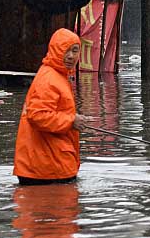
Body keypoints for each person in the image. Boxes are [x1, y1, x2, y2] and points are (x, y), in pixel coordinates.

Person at [14, 29, 92, 185]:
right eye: (65, 50)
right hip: (46, 169)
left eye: (75, 50)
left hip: (49, 165)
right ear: (55, 50)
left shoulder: (57, 76)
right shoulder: (49, 79)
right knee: (62, 207)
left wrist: (71, 120)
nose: (70, 56)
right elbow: (37, 116)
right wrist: (71, 121)